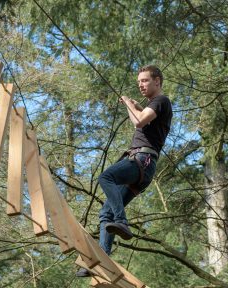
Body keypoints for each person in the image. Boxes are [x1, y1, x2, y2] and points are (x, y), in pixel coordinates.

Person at [76, 65, 172, 277]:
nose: (141, 85)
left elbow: (138, 122)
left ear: (157, 81)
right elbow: (142, 118)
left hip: (142, 159)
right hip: (144, 166)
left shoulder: (161, 101)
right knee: (105, 213)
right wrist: (136, 106)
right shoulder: (155, 106)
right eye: (139, 82)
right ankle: (103, 261)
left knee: (106, 177)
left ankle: (121, 221)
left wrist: (129, 104)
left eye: (145, 81)